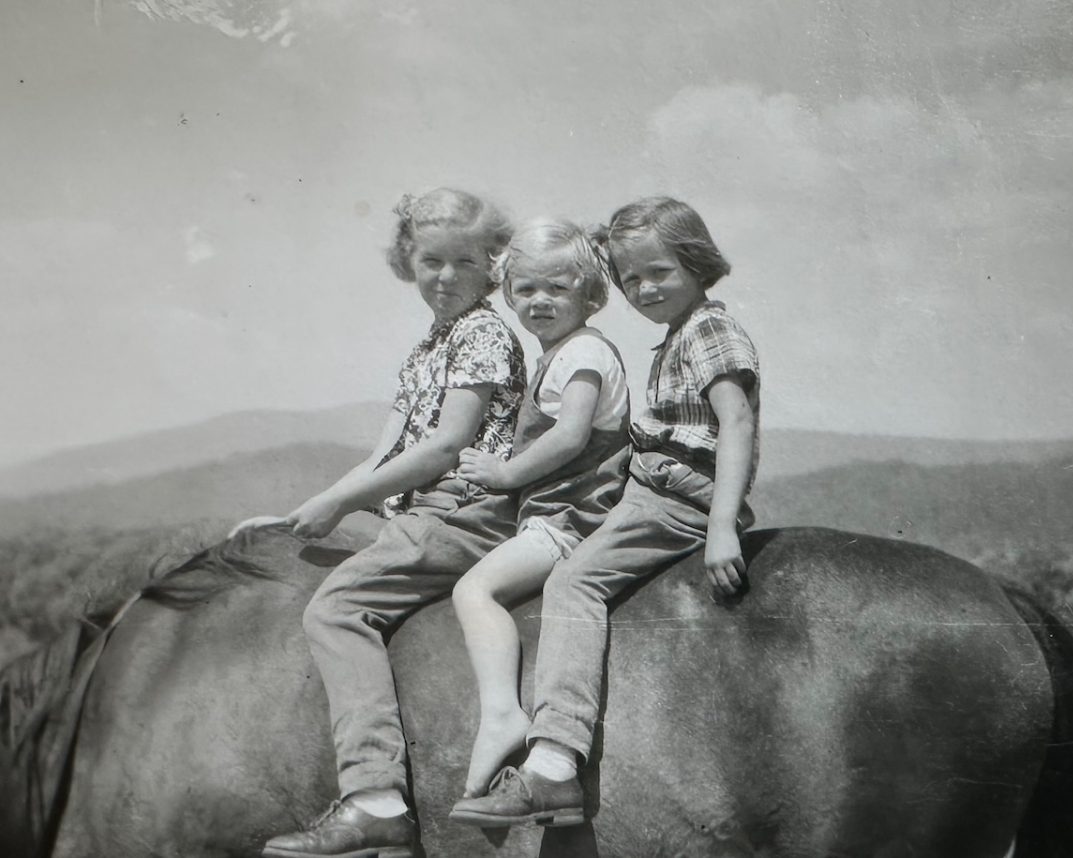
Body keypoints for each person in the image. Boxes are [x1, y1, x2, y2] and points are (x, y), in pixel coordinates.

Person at [228, 188, 526, 858]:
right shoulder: (425, 350)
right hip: (423, 512)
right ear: (408, 264)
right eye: (431, 261)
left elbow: (444, 448)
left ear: (492, 265)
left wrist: (337, 507)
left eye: (463, 261)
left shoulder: (484, 333)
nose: (446, 276)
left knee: (334, 609)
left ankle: (375, 799)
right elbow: (382, 458)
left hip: (464, 515)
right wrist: (305, 513)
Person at [451, 197, 760, 828]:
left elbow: (737, 421)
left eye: (660, 273)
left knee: (574, 580)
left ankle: (554, 763)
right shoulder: (680, 334)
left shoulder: (709, 331)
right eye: (631, 278)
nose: (643, 288)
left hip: (677, 498)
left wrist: (723, 525)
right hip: (653, 488)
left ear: (698, 264)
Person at [448, 218, 630, 802]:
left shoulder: (583, 353)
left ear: (589, 293)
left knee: (473, 591)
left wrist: (502, 475)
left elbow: (571, 436)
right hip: (556, 511)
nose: (539, 301)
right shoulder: (562, 352)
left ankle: (502, 714)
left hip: (571, 517)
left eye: (556, 288)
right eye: (525, 290)